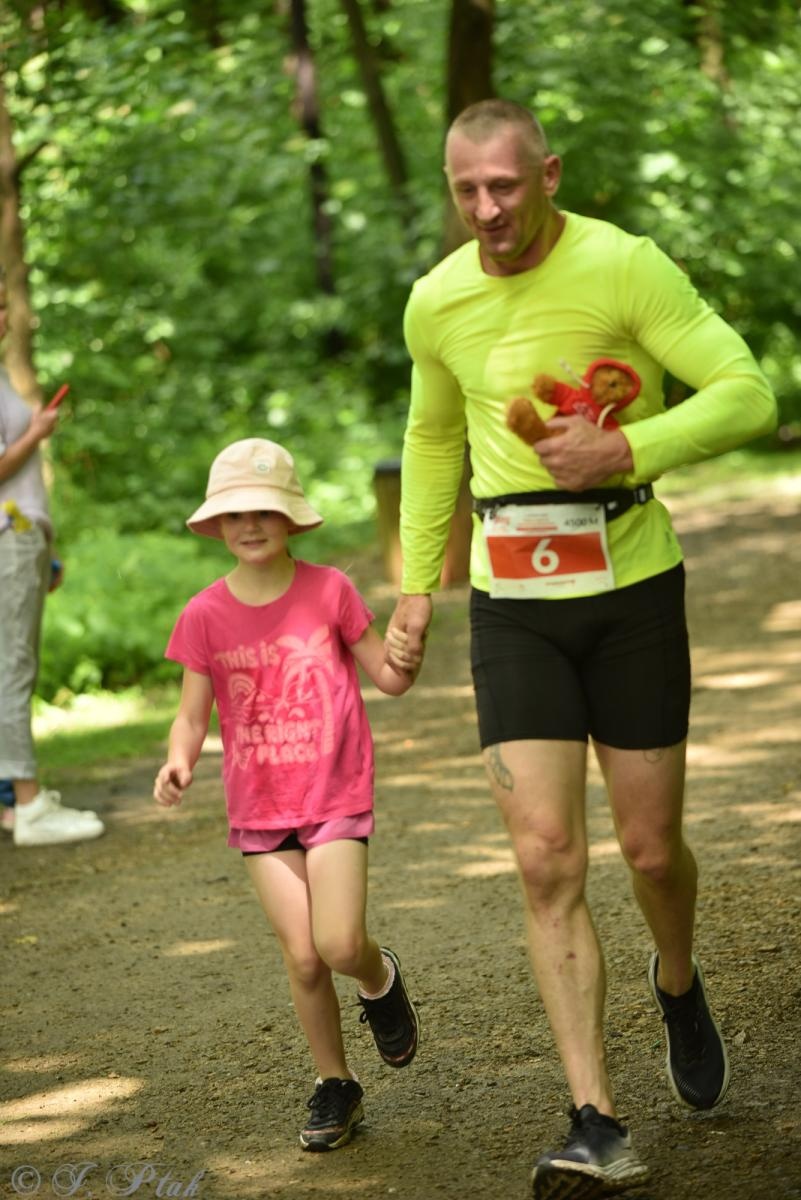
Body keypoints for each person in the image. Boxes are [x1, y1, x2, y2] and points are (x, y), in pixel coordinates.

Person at [386, 99, 776, 1199]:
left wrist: (628, 446)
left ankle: (678, 975)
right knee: (548, 856)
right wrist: (418, 589)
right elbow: (429, 438)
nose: (486, 209)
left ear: (548, 173)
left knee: (651, 853)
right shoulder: (437, 300)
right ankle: (594, 1117)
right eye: (466, 191)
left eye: (505, 186)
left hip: (634, 583)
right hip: (513, 600)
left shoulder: (623, 265)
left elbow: (751, 390)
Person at [153, 437, 422, 1152]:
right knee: (301, 957)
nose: (248, 524)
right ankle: (334, 1083)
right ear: (214, 524)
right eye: (234, 512)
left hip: (334, 792)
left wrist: (404, 652)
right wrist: (179, 760)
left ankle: (377, 973)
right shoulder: (204, 614)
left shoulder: (329, 589)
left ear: (290, 518)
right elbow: (191, 712)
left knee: (337, 944)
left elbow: (387, 680)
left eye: (264, 511)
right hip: (258, 808)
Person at [0, 280, 105, 847]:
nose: (0, 316)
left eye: (0, 305)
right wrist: (36, 433)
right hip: (7, 536)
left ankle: (10, 802)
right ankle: (29, 801)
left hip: (21, 534)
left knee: (8, 665)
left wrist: (48, 549)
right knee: (12, 668)